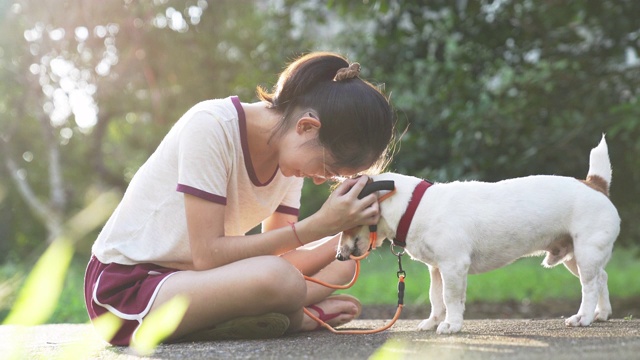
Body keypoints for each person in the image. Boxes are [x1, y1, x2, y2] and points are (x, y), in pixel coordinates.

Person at [84, 51, 395, 346]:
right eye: (327, 169)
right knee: (280, 280)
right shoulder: (212, 126)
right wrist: (318, 227)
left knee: (341, 265)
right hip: (128, 290)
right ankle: (294, 318)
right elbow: (208, 253)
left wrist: (344, 236)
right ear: (307, 127)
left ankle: (268, 310)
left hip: (196, 281)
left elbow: (279, 255)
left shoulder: (289, 160)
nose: (318, 179)